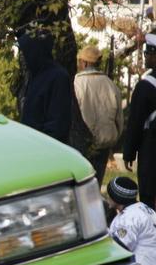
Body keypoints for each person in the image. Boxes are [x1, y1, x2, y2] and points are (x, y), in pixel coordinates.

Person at [74, 44, 122, 184]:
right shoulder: (110, 84)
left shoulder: (77, 83)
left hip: (82, 144)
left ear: (85, 62)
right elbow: (119, 119)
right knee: (96, 183)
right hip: (104, 144)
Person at [16, 28, 72, 144]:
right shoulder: (33, 75)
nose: (22, 56)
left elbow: (58, 123)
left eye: (25, 51)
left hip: (46, 149)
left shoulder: (58, 77)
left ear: (34, 51)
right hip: (30, 145)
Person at [122, 32, 156, 207]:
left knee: (150, 200)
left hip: (151, 151)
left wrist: (129, 152)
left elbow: (135, 122)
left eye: (148, 53)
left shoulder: (145, 86)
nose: (146, 57)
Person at [107, 176, 156, 265]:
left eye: (110, 194)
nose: (107, 197)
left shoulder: (129, 218)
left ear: (116, 197)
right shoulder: (143, 208)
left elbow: (119, 250)